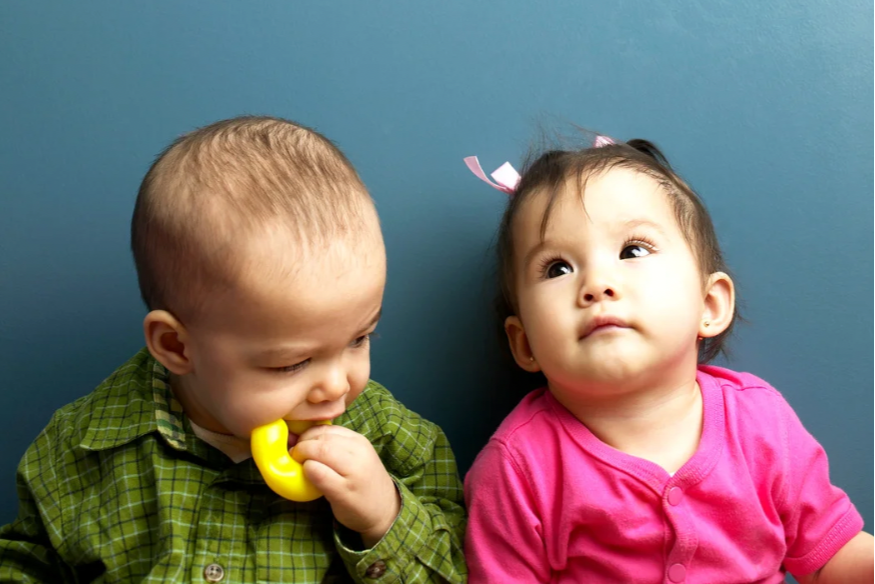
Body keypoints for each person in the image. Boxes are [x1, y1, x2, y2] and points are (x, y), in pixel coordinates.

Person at [0, 116, 467, 583]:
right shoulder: (82, 448)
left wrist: (384, 517)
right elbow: (25, 564)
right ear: (176, 346)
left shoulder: (394, 442)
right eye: (292, 363)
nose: (336, 386)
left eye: (359, 339)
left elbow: (460, 570)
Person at [463, 135, 873, 583]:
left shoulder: (760, 422)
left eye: (633, 251)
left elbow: (830, 557)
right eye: (558, 268)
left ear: (709, 305)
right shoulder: (517, 468)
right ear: (524, 342)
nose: (597, 284)